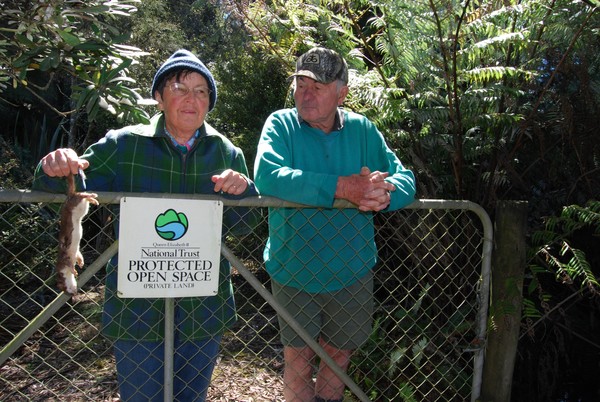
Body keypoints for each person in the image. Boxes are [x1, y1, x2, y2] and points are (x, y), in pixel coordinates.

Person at [32, 49, 259, 401]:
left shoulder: (226, 152)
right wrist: (53, 167)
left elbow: (245, 225)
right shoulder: (124, 144)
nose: (191, 99)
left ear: (209, 102)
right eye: (180, 88)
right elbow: (67, 185)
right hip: (138, 310)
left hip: (203, 309)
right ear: (159, 97)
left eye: (201, 91)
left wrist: (244, 191)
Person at [254, 47, 416, 402]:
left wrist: (383, 195)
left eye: (318, 87)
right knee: (298, 359)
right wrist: (344, 188)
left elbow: (405, 179)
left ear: (342, 94)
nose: (306, 94)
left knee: (338, 358)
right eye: (301, 85)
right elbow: (268, 176)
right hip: (294, 269)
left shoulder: (362, 130)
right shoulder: (281, 124)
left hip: (351, 271)